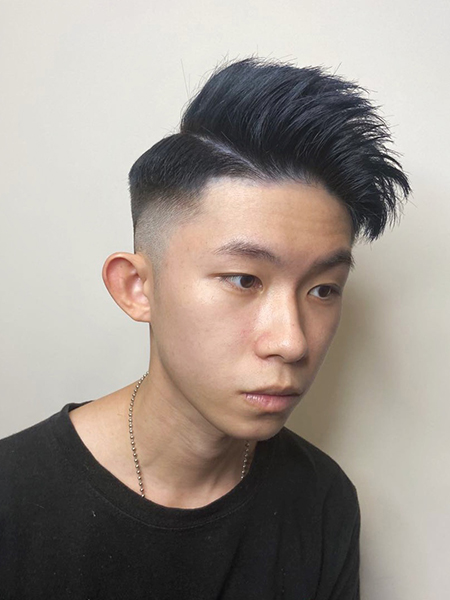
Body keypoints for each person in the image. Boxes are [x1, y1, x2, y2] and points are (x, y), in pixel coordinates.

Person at [0, 58, 409, 599]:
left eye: (323, 289)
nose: (292, 342)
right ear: (137, 288)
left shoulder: (321, 499)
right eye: (244, 280)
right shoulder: (13, 498)